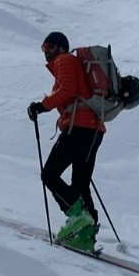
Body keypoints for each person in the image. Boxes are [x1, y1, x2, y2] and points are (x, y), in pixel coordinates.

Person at [27, 31, 105, 253]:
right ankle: (86, 234)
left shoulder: (64, 60)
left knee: (49, 174)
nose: (46, 51)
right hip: (93, 130)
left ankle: (78, 217)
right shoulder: (70, 62)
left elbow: (68, 90)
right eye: (43, 47)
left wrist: (40, 106)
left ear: (61, 47)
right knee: (81, 182)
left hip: (78, 128)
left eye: (49, 45)